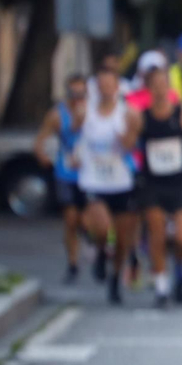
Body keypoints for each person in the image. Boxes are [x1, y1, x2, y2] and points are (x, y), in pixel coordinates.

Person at [135, 65, 182, 308]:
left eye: (165, 84)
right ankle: (162, 285)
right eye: (156, 84)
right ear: (149, 88)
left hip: (179, 182)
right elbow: (130, 143)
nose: (161, 89)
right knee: (157, 235)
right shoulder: (142, 116)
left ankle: (180, 274)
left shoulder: (181, 112)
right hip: (153, 183)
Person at [77, 65, 140, 303]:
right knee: (102, 228)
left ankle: (115, 278)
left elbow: (131, 146)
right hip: (93, 179)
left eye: (109, 84)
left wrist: (123, 135)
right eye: (101, 85)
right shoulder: (86, 112)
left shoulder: (128, 114)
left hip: (120, 181)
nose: (105, 89)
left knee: (123, 239)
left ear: (117, 87)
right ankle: (102, 251)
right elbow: (73, 133)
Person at [35, 75, 90, 284]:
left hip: (90, 175)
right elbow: (41, 139)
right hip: (66, 174)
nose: (77, 98)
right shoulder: (57, 114)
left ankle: (101, 247)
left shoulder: (95, 111)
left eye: (81, 94)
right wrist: (42, 155)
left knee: (88, 220)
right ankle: (73, 263)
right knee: (70, 220)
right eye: (73, 94)